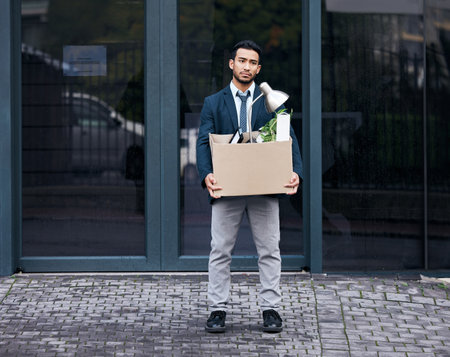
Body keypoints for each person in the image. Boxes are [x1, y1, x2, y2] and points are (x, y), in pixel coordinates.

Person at [196, 40, 303, 333]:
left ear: (259, 68)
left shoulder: (270, 100)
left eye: (253, 62)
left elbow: (287, 136)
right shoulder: (213, 103)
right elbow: (204, 142)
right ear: (232, 64)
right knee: (220, 250)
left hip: (264, 186)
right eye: (242, 61)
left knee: (270, 250)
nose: (247, 66)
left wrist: (296, 172)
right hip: (227, 186)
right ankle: (217, 310)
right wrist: (206, 174)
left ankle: (271, 309)